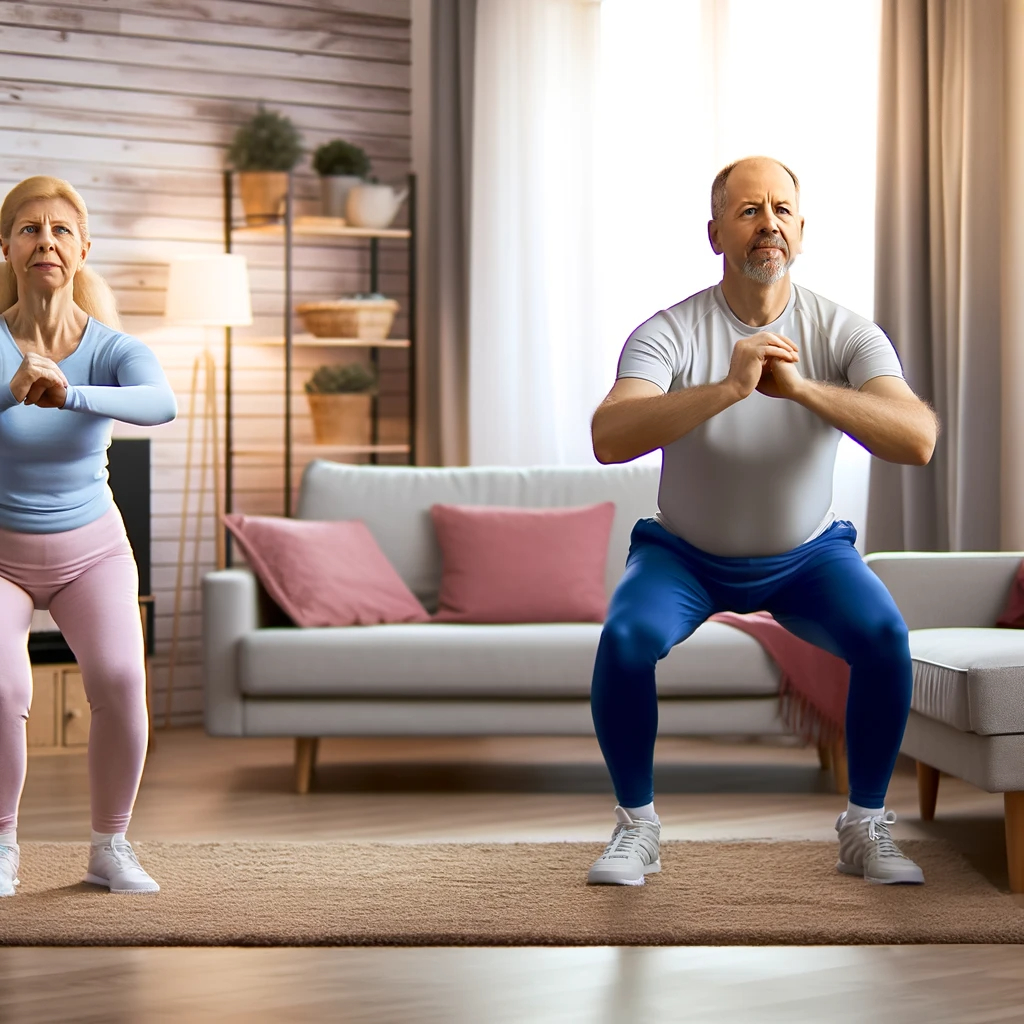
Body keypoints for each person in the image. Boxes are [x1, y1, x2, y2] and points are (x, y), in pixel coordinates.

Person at [586, 156, 938, 887]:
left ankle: (865, 826)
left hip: (808, 558)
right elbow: (609, 436)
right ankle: (635, 828)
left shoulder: (845, 332)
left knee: (885, 638)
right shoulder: (668, 332)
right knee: (624, 639)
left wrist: (804, 389)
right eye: (749, 211)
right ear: (715, 233)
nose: (768, 223)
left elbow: (917, 438)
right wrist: (728, 387)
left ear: (801, 232)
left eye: (781, 209)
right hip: (683, 556)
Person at [0, 176, 177, 896]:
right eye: (30, 229)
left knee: (122, 680)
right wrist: (13, 385)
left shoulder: (110, 347)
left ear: (82, 249)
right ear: (5, 247)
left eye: (62, 230)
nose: (47, 241)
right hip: (1, 553)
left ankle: (110, 847)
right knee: (2, 688)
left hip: (92, 549)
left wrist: (66, 391)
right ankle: (3, 849)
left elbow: (159, 402)